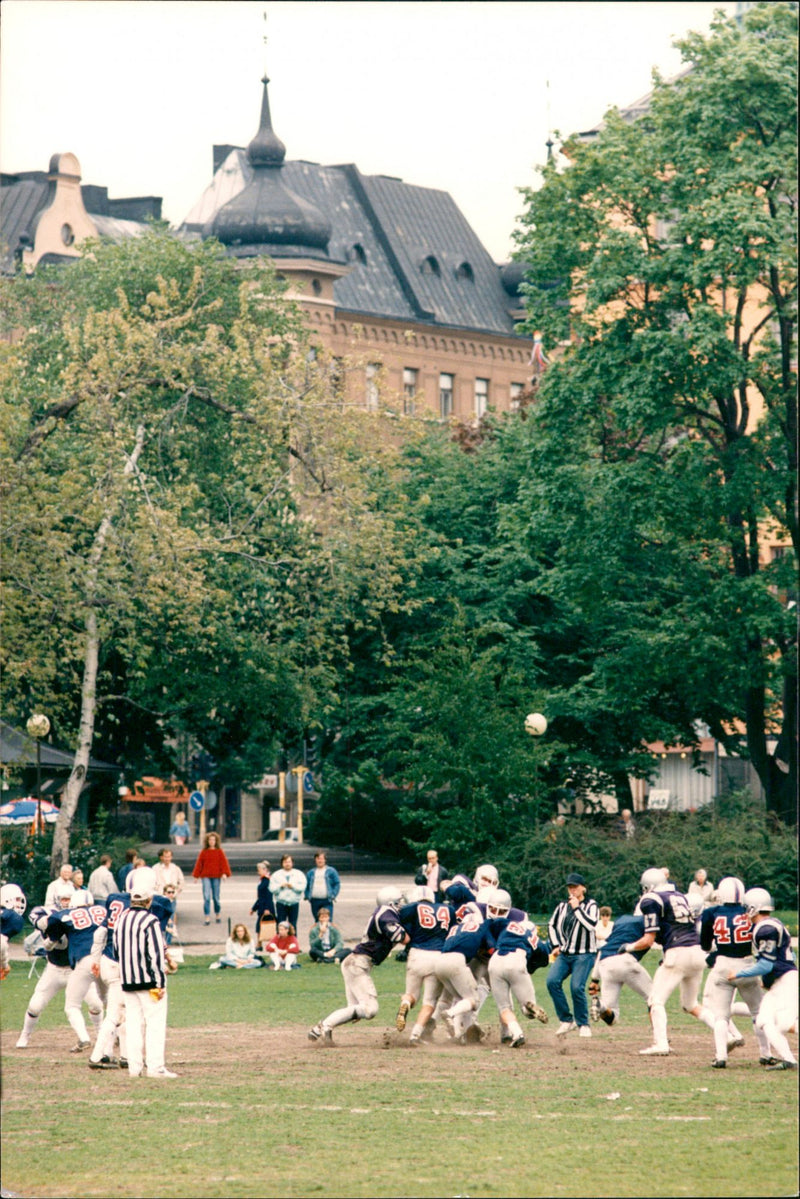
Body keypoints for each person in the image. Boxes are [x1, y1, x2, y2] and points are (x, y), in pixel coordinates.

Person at [627, 867, 725, 1057]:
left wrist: (629, 947)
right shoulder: (679, 895)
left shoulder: (651, 899)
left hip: (676, 953)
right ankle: (727, 1035)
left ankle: (661, 1043)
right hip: (696, 951)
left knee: (655, 1000)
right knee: (690, 1004)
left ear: (649, 885)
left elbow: (648, 939)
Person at [308, 886, 408, 1044]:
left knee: (355, 1010)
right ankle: (322, 1026)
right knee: (370, 1009)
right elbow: (402, 937)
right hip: (358, 963)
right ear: (391, 902)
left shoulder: (385, 913)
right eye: (400, 901)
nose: (403, 904)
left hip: (356, 963)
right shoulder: (385, 913)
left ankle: (323, 1028)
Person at [16, 883, 100, 1049]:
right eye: (64, 899)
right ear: (56, 900)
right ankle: (24, 1035)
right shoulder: (50, 913)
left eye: (69, 899)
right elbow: (40, 922)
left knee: (96, 1004)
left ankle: (101, 1033)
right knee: (35, 1005)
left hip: (76, 969)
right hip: (54, 969)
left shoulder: (79, 916)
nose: (66, 902)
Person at [113, 866, 177, 1078]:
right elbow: (155, 954)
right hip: (149, 981)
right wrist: (159, 982)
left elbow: (116, 950)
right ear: (149, 901)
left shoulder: (121, 919)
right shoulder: (150, 921)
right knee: (155, 1025)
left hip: (128, 980)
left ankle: (135, 1067)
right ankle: (156, 1067)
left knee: (133, 1025)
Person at [700, 877, 769, 1069]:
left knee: (721, 1015)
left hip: (722, 965)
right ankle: (766, 1053)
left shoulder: (710, 913)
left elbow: (705, 945)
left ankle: (721, 1056)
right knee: (758, 1012)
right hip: (747, 964)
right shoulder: (749, 911)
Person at [729, 887, 798, 1072]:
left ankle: (789, 1059)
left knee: (781, 1023)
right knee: (764, 1020)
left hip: (785, 981)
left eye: (746, 908)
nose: (745, 912)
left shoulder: (765, 929)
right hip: (783, 980)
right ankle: (789, 1060)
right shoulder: (774, 924)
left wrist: (739, 974)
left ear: (753, 907)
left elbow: (766, 965)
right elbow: (791, 955)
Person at [393, 886, 453, 1042]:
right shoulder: (447, 909)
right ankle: (415, 1035)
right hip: (437, 956)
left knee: (411, 994)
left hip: (417, 954)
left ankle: (406, 1003)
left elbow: (397, 916)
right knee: (429, 1001)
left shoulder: (413, 907)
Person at [546, 872, 599, 1039]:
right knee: (552, 982)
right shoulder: (562, 906)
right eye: (570, 887)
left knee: (576, 987)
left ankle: (583, 1023)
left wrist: (576, 908)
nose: (572, 890)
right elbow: (552, 925)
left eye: (575, 887)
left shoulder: (591, 905)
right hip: (565, 953)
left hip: (585, 954)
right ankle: (566, 1019)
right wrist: (555, 945)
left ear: (583, 888)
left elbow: (590, 925)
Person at [488, 917, 550, 1048]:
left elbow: (494, 923)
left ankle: (517, 1033)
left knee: (504, 1007)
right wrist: (531, 967)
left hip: (495, 960)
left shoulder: (507, 925)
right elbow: (544, 958)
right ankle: (528, 1009)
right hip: (516, 961)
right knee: (528, 1007)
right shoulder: (532, 937)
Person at [590, 912, 653, 1027]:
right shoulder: (650, 920)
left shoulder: (622, 919)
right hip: (626, 960)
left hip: (605, 964)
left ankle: (601, 1005)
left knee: (612, 1018)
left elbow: (603, 949)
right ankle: (660, 1038)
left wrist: (594, 980)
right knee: (654, 998)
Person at [191, 831, 231, 925]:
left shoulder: (219, 851)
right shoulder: (204, 852)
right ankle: (207, 916)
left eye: (213, 840)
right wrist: (196, 876)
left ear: (216, 841)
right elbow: (199, 864)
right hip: (206, 876)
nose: (212, 841)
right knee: (206, 897)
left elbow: (224, 863)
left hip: (216, 876)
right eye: (210, 840)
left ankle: (217, 914)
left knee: (216, 898)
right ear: (207, 841)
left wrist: (224, 873)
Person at [269, 854, 306, 931]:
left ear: (292, 863)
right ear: (282, 863)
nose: (287, 864)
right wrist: (280, 887)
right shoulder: (276, 874)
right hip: (281, 903)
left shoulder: (299, 874)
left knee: (293, 925)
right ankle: (281, 942)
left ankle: (293, 941)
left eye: (289, 862)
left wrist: (293, 887)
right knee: (281, 924)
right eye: (285, 862)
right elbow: (271, 888)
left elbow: (303, 887)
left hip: (294, 903)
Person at [305, 851, 341, 922]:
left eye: (321, 858)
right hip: (314, 900)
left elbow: (337, 883)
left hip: (326, 900)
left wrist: (333, 894)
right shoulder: (311, 872)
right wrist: (307, 895)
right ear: (315, 860)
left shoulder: (331, 871)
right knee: (317, 920)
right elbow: (307, 885)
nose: (320, 860)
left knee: (327, 920)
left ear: (325, 860)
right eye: (318, 858)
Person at [1, 884, 27, 981]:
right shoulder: (14, 918)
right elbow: (1, 944)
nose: (20, 904)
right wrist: (4, 964)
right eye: (17, 900)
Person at [250, 861, 277, 947]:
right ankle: (259, 943)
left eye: (259, 870)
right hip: (261, 906)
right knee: (259, 926)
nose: (258, 872)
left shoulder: (268, 880)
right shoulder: (262, 880)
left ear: (265, 870)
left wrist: (267, 908)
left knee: (269, 926)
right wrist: (254, 908)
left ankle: (267, 943)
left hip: (267, 907)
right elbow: (260, 897)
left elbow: (268, 896)